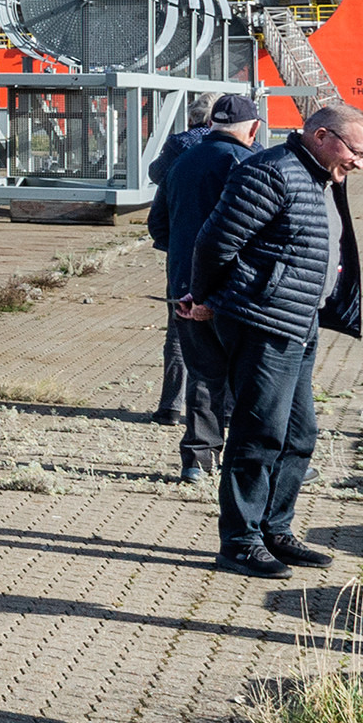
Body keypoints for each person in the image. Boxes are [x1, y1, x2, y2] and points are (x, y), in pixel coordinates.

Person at [183, 100, 363, 578]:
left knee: (299, 432)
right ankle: (240, 540)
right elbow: (215, 241)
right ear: (323, 136)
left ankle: (275, 529)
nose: (359, 163)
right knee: (258, 432)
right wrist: (204, 297)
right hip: (262, 320)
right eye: (357, 152)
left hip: (298, 319)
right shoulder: (271, 172)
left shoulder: (321, 176)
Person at [142, 94, 262, 483]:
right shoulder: (251, 162)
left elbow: (158, 225)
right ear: (253, 128)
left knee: (203, 372)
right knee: (246, 372)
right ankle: (247, 461)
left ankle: (197, 459)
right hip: (237, 287)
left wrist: (183, 254)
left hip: (185, 283)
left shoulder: (179, 164)